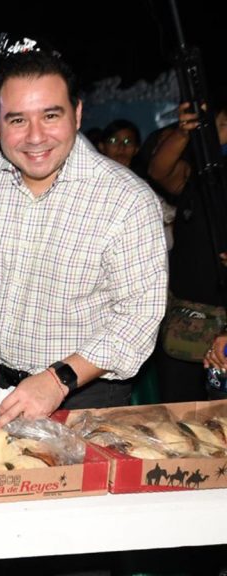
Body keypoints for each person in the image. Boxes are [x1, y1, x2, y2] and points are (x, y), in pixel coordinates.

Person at [0, 50, 167, 430]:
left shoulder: (127, 199)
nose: (35, 137)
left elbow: (138, 316)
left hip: (84, 394)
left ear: (77, 114)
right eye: (17, 120)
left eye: (50, 116)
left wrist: (59, 379)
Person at [151, 100, 227, 402]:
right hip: (186, 322)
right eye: (223, 124)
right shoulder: (197, 176)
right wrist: (185, 132)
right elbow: (159, 171)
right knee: (178, 411)